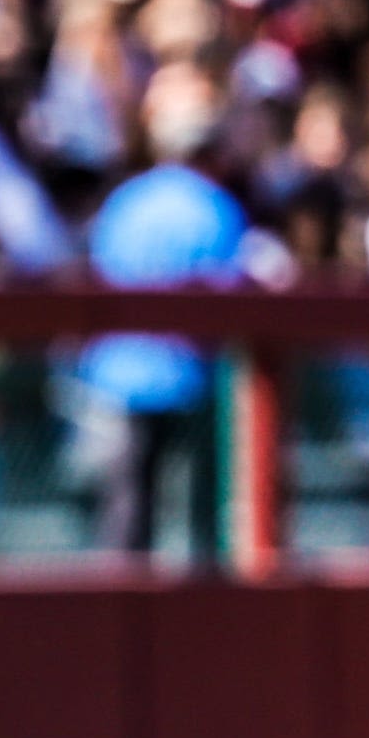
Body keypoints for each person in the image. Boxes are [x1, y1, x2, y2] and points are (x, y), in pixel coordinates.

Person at [73, 73, 243, 555]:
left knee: (128, 513)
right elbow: (227, 294)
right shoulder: (216, 207)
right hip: (190, 378)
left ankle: (121, 619)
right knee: (201, 517)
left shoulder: (126, 202)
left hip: (119, 377)